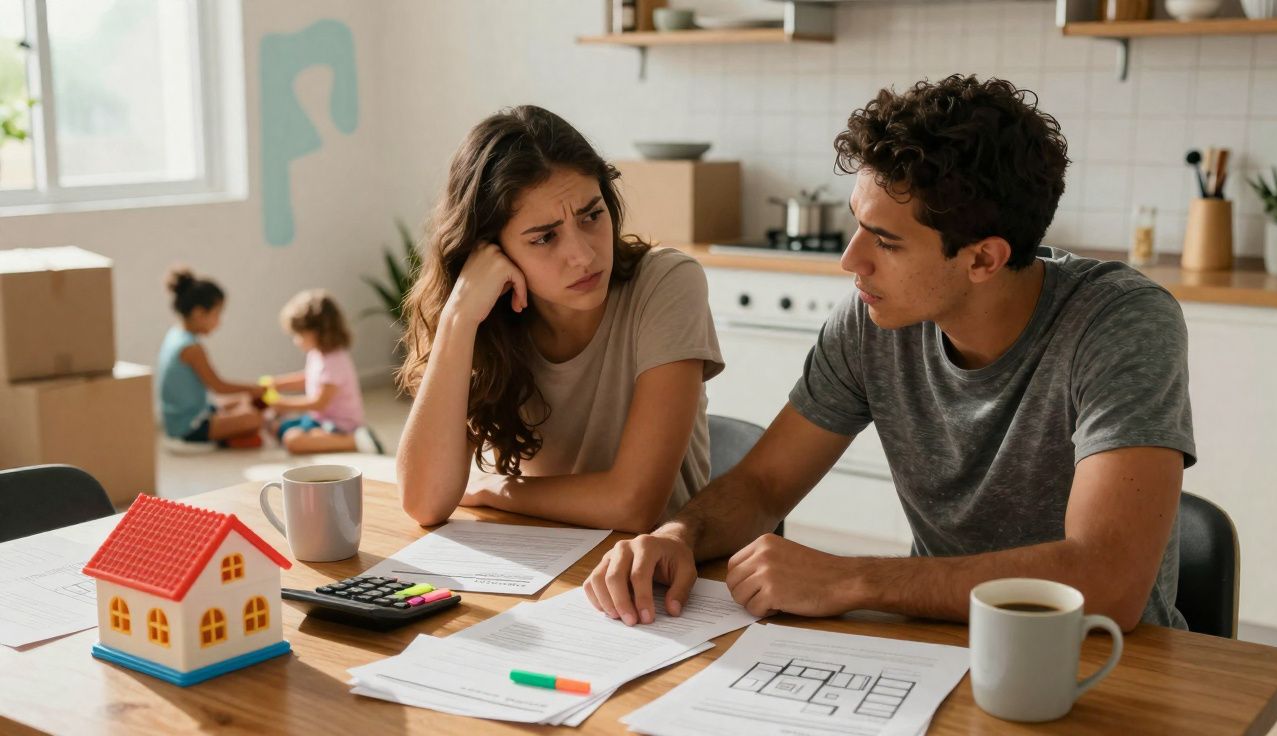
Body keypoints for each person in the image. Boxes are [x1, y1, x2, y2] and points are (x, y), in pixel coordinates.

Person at [584, 75, 1195, 631]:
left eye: (885, 241)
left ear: (984, 258)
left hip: (1100, 654)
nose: (851, 261)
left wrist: (853, 578)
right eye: (856, 225)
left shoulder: (1120, 323)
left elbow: (1107, 580)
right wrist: (677, 534)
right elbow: (765, 483)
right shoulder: (873, 320)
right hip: (934, 640)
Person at [396, 105, 723, 534]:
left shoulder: (667, 282)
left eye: (591, 215)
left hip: (658, 575)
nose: (584, 256)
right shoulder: (484, 321)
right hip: (544, 565)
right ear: (489, 251)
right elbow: (424, 502)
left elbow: (633, 506)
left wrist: (495, 490)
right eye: (545, 237)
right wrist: (458, 319)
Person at [156, 267, 263, 446]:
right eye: (217, 314)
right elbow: (218, 386)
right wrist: (253, 388)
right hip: (188, 426)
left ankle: (228, 432)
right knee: (253, 419)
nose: (219, 322)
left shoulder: (176, 334)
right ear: (199, 314)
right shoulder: (191, 348)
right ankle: (225, 440)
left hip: (188, 413)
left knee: (242, 402)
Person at [266, 289, 381, 455]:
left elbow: (319, 403)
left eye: (299, 334)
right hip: (319, 419)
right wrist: (277, 384)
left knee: (293, 441)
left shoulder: (335, 361)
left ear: (318, 332)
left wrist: (282, 404)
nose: (296, 341)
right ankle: (319, 437)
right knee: (276, 426)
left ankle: (355, 440)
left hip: (339, 425)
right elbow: (308, 377)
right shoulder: (317, 353)